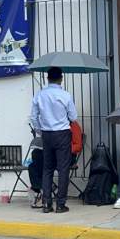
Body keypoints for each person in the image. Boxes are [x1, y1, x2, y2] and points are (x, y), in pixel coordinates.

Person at [29, 67, 77, 213]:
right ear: (61, 78)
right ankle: (61, 204)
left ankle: (46, 204)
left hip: (47, 134)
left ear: (47, 78)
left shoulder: (39, 95)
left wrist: (40, 130)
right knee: (63, 169)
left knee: (47, 169)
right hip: (62, 134)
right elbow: (74, 117)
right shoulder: (65, 95)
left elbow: (33, 117)